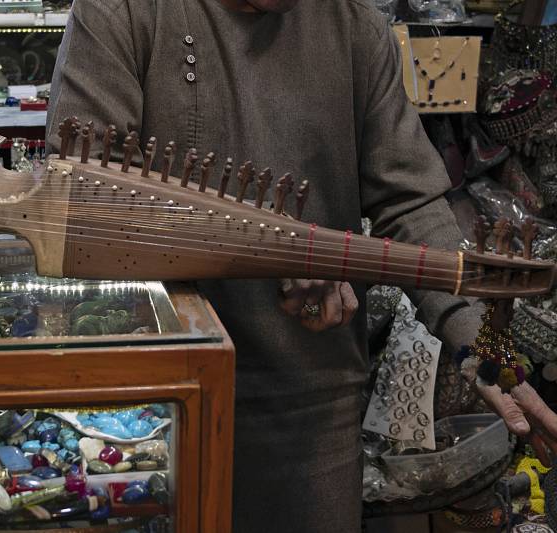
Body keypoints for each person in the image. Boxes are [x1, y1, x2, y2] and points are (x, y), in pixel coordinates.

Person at [46, 0, 557, 530]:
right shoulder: (121, 11)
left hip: (311, 400)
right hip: (150, 403)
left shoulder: (353, 24)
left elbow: (410, 200)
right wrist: (275, 250)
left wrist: (476, 340)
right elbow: (85, 207)